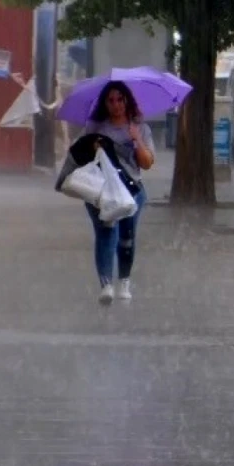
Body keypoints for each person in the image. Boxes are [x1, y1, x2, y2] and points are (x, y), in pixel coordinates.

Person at [81, 81, 155, 304]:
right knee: (105, 234)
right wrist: (93, 149)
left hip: (132, 190)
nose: (116, 105)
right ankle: (106, 285)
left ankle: (124, 281)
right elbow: (81, 157)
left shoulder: (140, 127)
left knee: (126, 238)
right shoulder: (95, 127)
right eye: (110, 100)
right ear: (104, 103)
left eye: (119, 99)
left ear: (127, 101)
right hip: (101, 190)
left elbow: (147, 163)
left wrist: (136, 139)